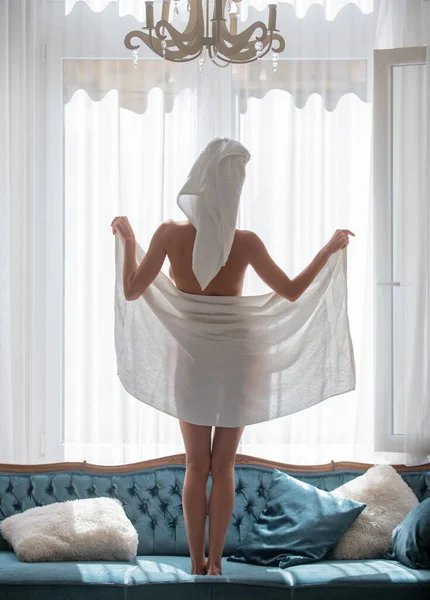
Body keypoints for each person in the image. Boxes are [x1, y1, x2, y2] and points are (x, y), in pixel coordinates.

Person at [111, 139, 354, 576]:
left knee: (195, 464)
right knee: (223, 465)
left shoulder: (168, 234)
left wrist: (129, 240)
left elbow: (132, 290)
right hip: (240, 360)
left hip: (193, 363)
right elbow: (294, 292)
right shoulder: (246, 243)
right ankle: (217, 562)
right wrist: (327, 249)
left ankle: (196, 562)